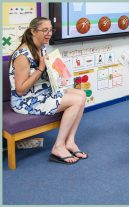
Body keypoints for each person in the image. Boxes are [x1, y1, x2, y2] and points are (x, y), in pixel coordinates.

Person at [9, 17, 87, 164]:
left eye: (51, 30)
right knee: (76, 101)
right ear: (33, 31)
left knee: (81, 94)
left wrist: (59, 76)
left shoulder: (40, 47)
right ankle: (58, 146)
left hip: (40, 93)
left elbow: (45, 75)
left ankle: (70, 141)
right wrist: (40, 69)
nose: (49, 33)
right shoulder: (22, 55)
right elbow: (20, 90)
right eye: (45, 30)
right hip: (26, 101)